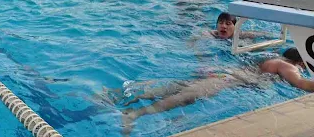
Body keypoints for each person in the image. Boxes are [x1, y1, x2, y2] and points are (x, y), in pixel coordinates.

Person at [120, 48, 314, 134]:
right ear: (299, 63)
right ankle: (134, 113)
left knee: (180, 88)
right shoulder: (288, 66)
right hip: (227, 80)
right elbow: (301, 84)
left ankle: (122, 97)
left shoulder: (272, 58)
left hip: (224, 74)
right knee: (185, 97)